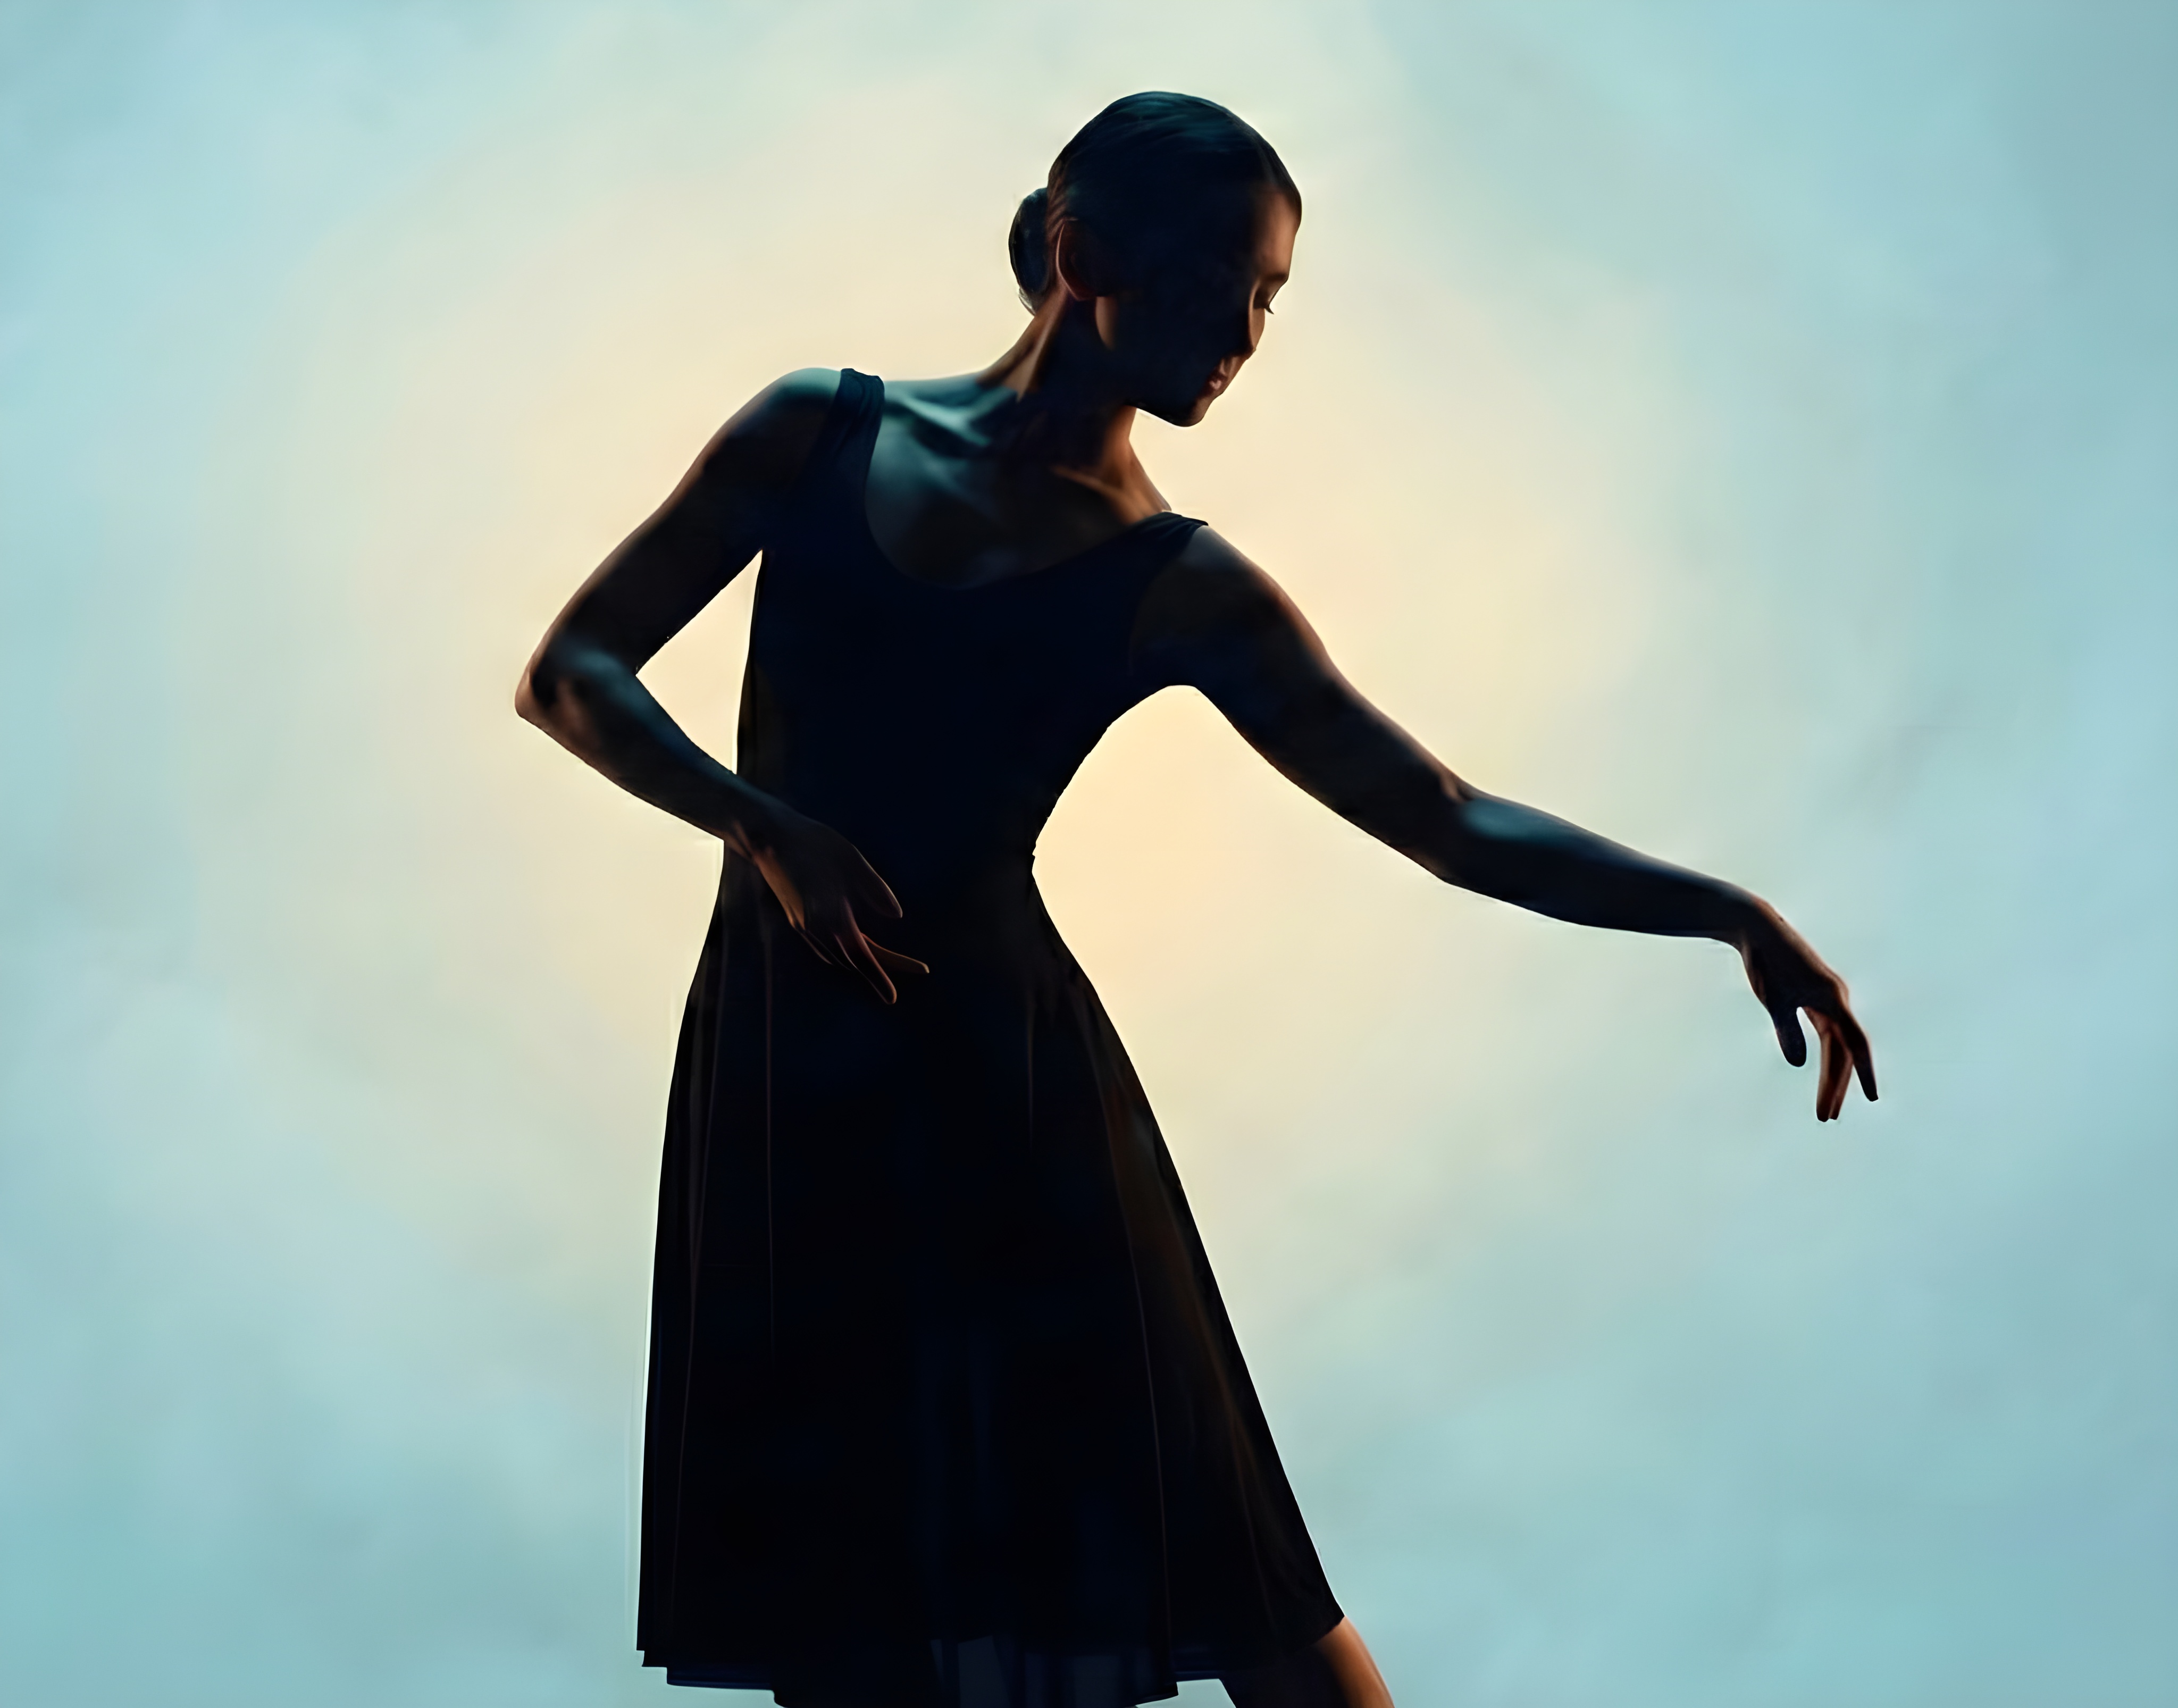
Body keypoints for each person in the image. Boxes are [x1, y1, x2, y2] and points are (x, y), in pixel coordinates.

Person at [517, 91, 1874, 1708]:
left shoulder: (1182, 583)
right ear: (1084, 250)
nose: (1240, 334)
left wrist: (1724, 910)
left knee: (1231, 1570)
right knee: (851, 1600)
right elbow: (572, 670)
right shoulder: (818, 433)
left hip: (1022, 1099)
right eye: (1216, 280)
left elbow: (1446, 817)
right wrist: (759, 828)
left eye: (1270, 300)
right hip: (784, 1088)